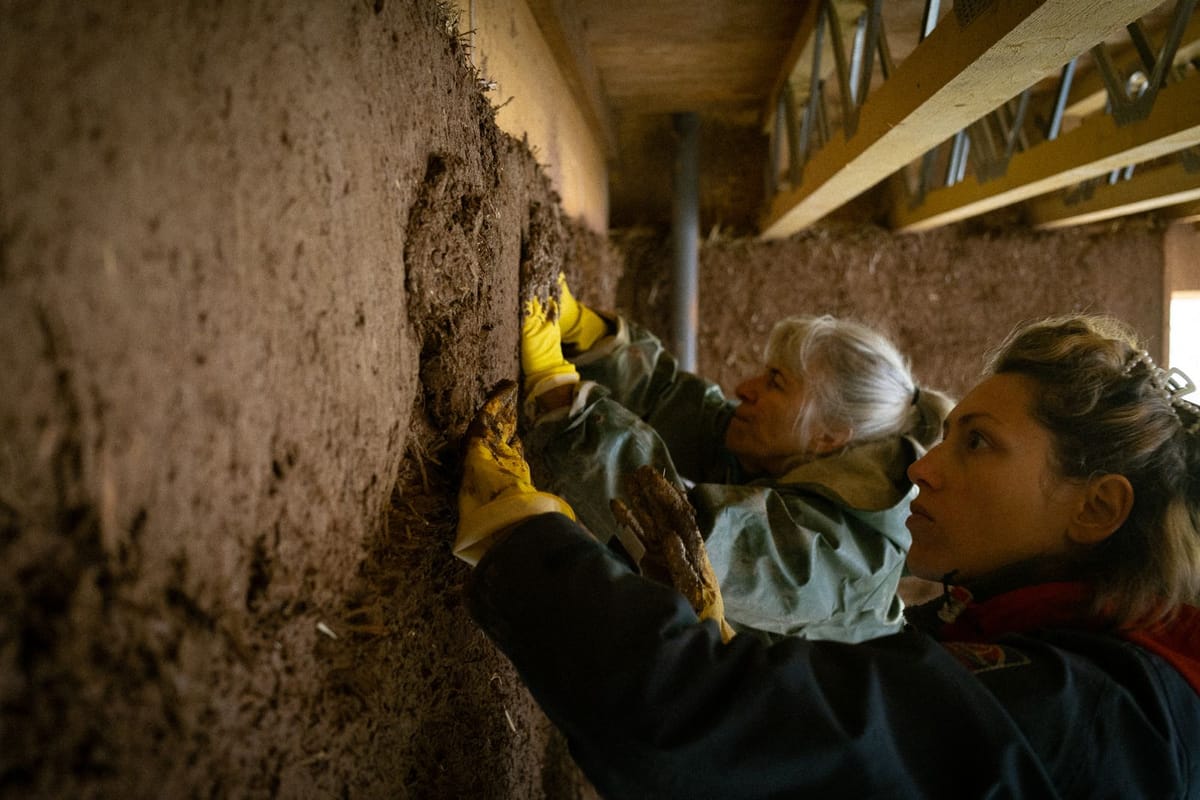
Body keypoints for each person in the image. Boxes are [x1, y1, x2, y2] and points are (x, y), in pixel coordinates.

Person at [457, 313, 1200, 798]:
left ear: (1096, 508)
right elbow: (709, 422)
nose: (923, 470)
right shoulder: (1043, 649)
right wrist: (607, 347)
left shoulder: (1073, 720)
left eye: (977, 444)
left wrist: (523, 539)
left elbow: (705, 724)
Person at [459, 274, 953, 644]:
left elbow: (682, 537)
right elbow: (702, 420)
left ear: (828, 435)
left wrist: (564, 401)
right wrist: (593, 339)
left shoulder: (830, 564)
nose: (745, 388)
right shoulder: (825, 463)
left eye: (775, 382)